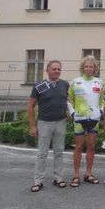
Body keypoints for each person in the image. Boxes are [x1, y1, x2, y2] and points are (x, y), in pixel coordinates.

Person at [27, 60, 70, 192]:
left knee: (59, 151)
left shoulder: (64, 84)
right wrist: (33, 126)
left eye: (58, 69)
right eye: (54, 69)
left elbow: (67, 101)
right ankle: (38, 180)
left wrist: (68, 112)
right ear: (47, 71)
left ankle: (58, 178)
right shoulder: (39, 86)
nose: (57, 71)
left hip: (61, 122)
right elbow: (30, 106)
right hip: (44, 123)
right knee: (42, 153)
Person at [67, 56, 105, 187]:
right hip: (79, 119)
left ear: (95, 68)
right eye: (86, 66)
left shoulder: (99, 82)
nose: (89, 69)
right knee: (78, 147)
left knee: (91, 146)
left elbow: (102, 100)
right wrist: (72, 113)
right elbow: (69, 99)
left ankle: (88, 173)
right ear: (82, 68)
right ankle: (76, 175)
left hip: (94, 119)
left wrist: (100, 112)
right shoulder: (75, 82)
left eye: (91, 67)